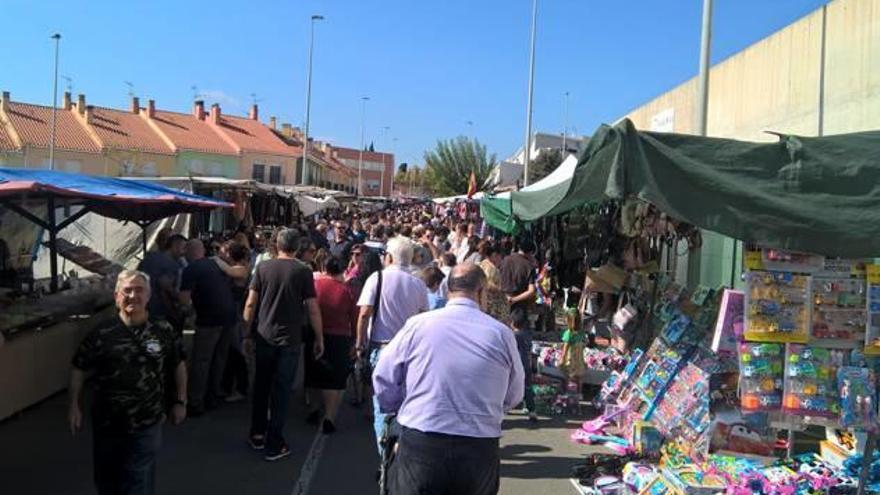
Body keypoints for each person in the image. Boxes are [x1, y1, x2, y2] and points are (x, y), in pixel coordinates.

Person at [373, 264, 524, 495]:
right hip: (478, 445)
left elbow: (383, 375)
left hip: (422, 437)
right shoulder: (501, 333)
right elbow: (515, 393)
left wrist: (395, 408)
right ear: (481, 292)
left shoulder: (418, 325)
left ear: (447, 290)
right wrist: (488, 408)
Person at [69, 270, 187, 495]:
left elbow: (178, 364)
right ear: (116, 296)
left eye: (139, 290)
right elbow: (78, 367)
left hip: (147, 422)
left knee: (138, 481)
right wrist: (74, 405)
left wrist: (180, 401)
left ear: (149, 296)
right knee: (107, 482)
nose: (133, 296)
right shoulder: (102, 333)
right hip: (107, 424)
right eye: (127, 291)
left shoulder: (163, 330)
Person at [243, 228, 324, 461]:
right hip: (289, 339)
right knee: (281, 390)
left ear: (277, 245)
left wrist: (246, 333)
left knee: (261, 385)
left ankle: (257, 433)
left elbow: (250, 303)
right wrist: (319, 338)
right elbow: (312, 307)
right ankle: (274, 441)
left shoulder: (263, 267)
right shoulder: (303, 270)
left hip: (264, 334)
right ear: (297, 247)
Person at [355, 237, 428, 454]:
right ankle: (401, 447)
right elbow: (424, 318)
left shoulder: (376, 279)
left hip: (382, 347)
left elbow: (364, 314)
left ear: (389, 257)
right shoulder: (418, 284)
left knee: (382, 405)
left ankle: (385, 452)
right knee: (406, 403)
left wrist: (360, 345)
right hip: (410, 351)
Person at [179, 239, 237, 416]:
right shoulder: (215, 264)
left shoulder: (191, 269)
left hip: (209, 319)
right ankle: (212, 396)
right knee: (219, 359)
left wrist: (168, 290)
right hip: (229, 317)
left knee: (201, 361)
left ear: (189, 252)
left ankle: (196, 402)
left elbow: (183, 300)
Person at [305, 256, 358, 434]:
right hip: (339, 336)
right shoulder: (346, 290)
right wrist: (355, 341)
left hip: (314, 333)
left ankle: (313, 409)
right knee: (334, 380)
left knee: (313, 372)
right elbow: (354, 318)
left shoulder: (315, 285)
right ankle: (329, 416)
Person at [499, 237, 538, 421]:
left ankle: (502, 403)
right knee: (523, 361)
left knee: (502, 360)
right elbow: (531, 292)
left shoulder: (505, 261)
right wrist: (515, 299)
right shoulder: (529, 267)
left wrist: (506, 299)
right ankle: (530, 406)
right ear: (530, 252)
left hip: (501, 313)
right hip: (519, 315)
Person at [137, 234, 187, 333]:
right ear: (175, 246)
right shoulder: (171, 264)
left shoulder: (149, 258)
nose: (184, 252)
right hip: (159, 312)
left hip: (142, 308)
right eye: (183, 248)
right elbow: (166, 289)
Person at [478, 242, 510, 323]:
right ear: (495, 255)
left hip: (483, 303)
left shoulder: (482, 264)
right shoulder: (491, 268)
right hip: (492, 306)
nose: (501, 259)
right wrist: (500, 291)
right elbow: (488, 284)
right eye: (501, 256)